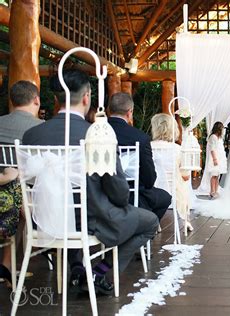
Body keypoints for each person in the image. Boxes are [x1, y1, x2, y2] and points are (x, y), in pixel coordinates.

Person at [22, 70, 159, 295]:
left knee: (74, 208)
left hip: (46, 218)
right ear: (87, 97)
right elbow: (119, 193)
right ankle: (100, 272)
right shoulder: (99, 135)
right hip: (94, 220)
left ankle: (77, 266)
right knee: (151, 221)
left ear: (56, 99)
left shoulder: (32, 137)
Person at [0, 81, 43, 289]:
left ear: (12, 101)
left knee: (18, 201)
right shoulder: (41, 129)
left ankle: (7, 265)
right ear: (36, 100)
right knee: (25, 201)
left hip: (4, 194)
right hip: (29, 198)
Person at [108, 93, 171, 221]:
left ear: (109, 110)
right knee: (165, 198)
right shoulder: (140, 138)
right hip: (132, 196)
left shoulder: (92, 133)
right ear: (130, 112)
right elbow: (149, 179)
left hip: (100, 194)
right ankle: (141, 229)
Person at [150, 113, 193, 232]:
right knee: (185, 183)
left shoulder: (147, 147)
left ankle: (155, 221)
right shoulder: (178, 149)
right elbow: (185, 176)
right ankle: (185, 220)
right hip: (174, 189)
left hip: (152, 187)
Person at [206, 121, 227, 198]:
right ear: (218, 129)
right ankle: (212, 191)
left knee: (217, 175)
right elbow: (212, 149)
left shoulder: (220, 138)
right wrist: (214, 159)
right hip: (215, 158)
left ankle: (216, 190)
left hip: (220, 157)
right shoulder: (213, 137)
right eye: (221, 128)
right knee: (214, 175)